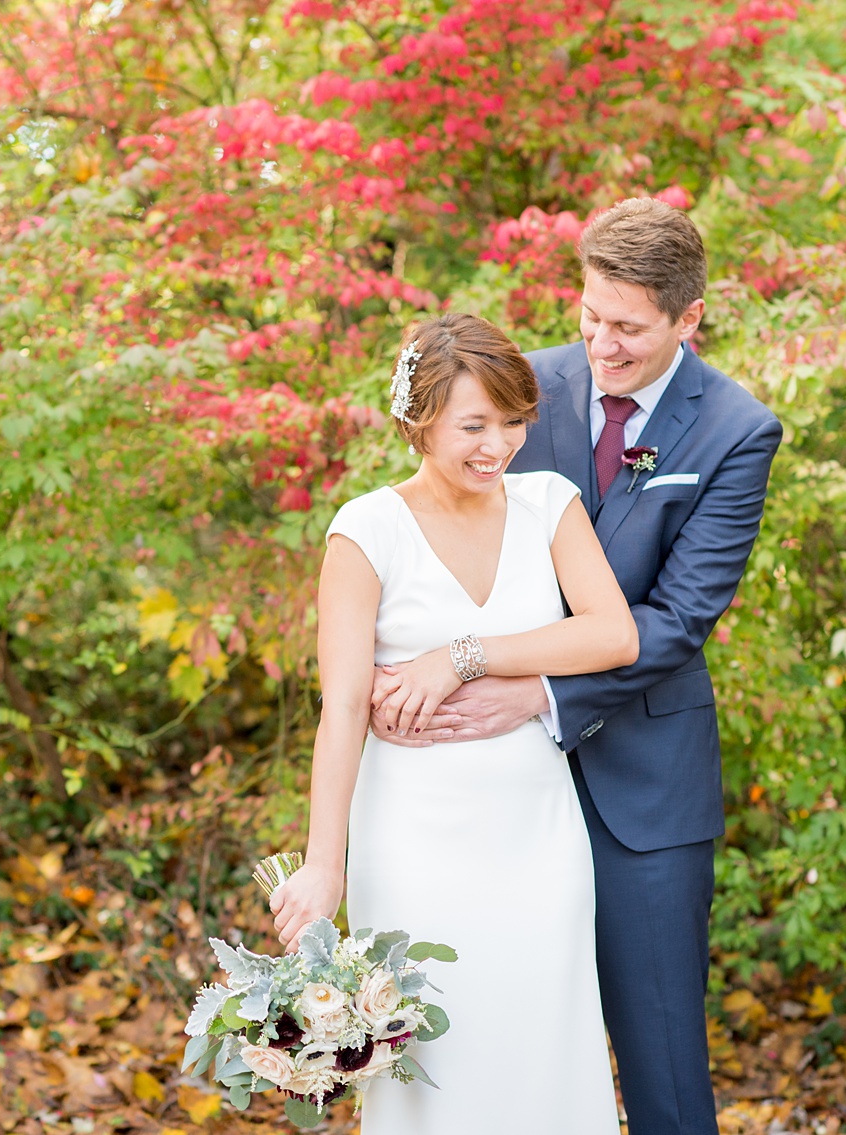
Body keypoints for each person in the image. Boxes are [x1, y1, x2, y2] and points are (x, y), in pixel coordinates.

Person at [368, 197, 783, 1135]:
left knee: (664, 1063)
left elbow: (677, 619)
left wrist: (534, 692)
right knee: (492, 1047)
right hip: (485, 796)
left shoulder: (735, 431)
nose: (600, 344)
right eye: (590, 316)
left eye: (628, 328)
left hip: (646, 787)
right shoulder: (524, 387)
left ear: (688, 318)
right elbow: (430, 520)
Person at [269, 312, 638, 1133]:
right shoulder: (365, 531)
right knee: (435, 1063)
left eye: (513, 422)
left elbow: (613, 633)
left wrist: (463, 655)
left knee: (547, 1042)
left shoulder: (550, 504)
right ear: (418, 419)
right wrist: (325, 866)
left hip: (539, 837)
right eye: (475, 424)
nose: (497, 444)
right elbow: (342, 714)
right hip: (413, 841)